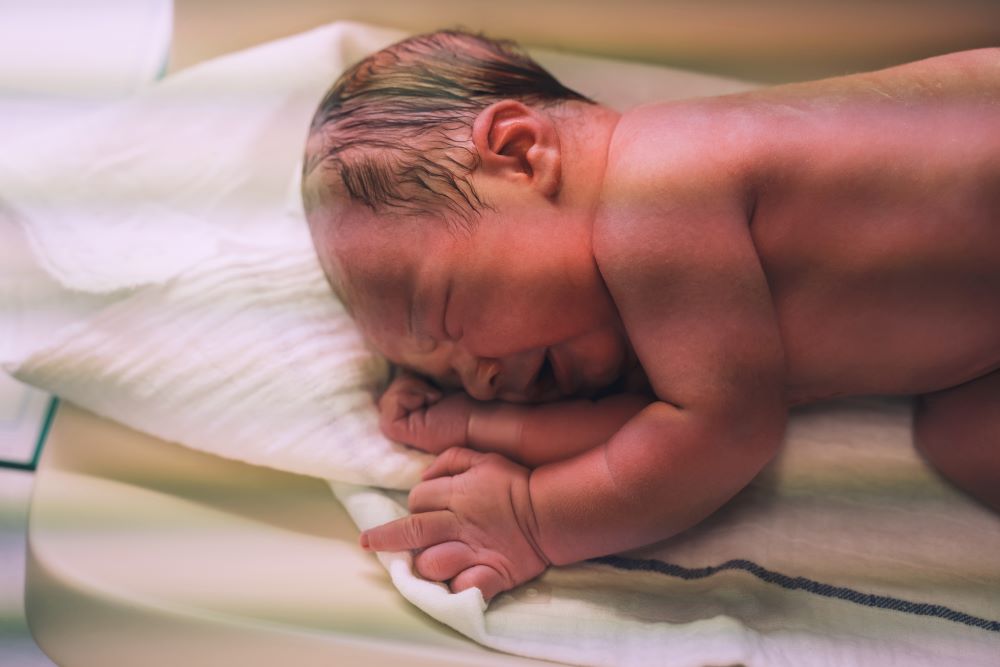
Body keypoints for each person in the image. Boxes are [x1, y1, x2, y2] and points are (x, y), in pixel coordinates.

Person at [301, 31, 1000, 602]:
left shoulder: (656, 188)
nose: (478, 375)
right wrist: (470, 423)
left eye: (448, 316)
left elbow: (718, 434)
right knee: (963, 438)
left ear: (519, 155)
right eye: (444, 370)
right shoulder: (648, 316)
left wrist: (533, 519)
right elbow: (652, 431)